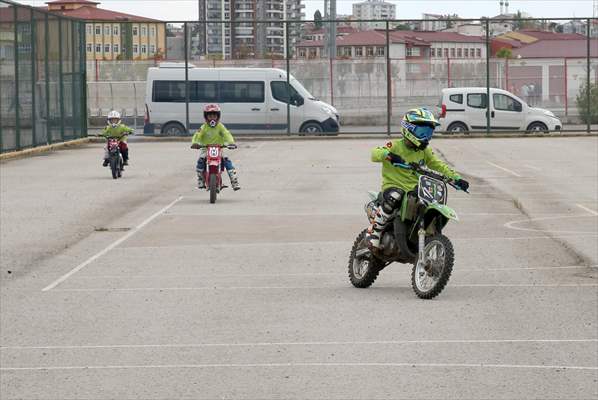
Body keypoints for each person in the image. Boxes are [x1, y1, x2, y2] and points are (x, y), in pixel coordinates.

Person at [367, 108, 470, 249]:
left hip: (415, 189)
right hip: (393, 187)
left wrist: (457, 179)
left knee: (429, 202)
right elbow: (375, 153)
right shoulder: (395, 145)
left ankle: (421, 237)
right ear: (408, 129)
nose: (426, 137)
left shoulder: (424, 151)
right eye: (422, 132)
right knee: (396, 195)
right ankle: (375, 232)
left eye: (429, 133)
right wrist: (389, 155)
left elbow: (439, 165)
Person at [190, 104, 240, 191]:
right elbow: (197, 135)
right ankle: (200, 179)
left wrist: (231, 142)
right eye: (210, 116)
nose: (212, 118)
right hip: (206, 149)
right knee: (201, 161)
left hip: (219, 148)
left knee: (227, 161)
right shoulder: (203, 127)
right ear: (206, 117)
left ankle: (234, 180)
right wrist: (195, 143)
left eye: (214, 116)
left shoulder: (220, 126)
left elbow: (226, 134)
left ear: (218, 116)